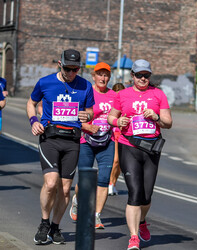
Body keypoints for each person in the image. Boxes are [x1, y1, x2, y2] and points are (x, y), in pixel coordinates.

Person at [26, 49, 95, 245]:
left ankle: (55, 227)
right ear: (59, 64)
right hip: (50, 138)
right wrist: (33, 121)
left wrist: (87, 116)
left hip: (72, 141)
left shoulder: (85, 86)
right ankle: (44, 223)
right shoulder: (45, 82)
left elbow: (89, 110)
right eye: (68, 68)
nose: (72, 73)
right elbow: (31, 103)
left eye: (75, 69)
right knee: (50, 183)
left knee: (65, 190)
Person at [107, 59, 172, 250]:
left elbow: (168, 122)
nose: (143, 79)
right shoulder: (123, 94)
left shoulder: (158, 94)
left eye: (146, 75)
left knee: (147, 194)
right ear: (132, 76)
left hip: (151, 148)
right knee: (134, 193)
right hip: (129, 146)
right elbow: (112, 116)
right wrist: (117, 122)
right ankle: (133, 236)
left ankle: (142, 220)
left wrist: (157, 117)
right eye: (139, 75)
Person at [69, 62, 117, 229]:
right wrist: (86, 126)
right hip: (86, 142)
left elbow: (118, 115)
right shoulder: (86, 93)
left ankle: (96, 215)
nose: (103, 78)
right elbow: (74, 117)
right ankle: (77, 200)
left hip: (107, 142)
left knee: (104, 179)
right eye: (100, 74)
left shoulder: (114, 95)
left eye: (106, 75)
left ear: (109, 77)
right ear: (94, 76)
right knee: (85, 181)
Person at [108, 83, 125, 196]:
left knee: (120, 163)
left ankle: (113, 184)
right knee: (115, 160)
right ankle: (109, 184)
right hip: (113, 134)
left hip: (123, 134)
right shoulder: (112, 103)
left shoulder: (125, 102)